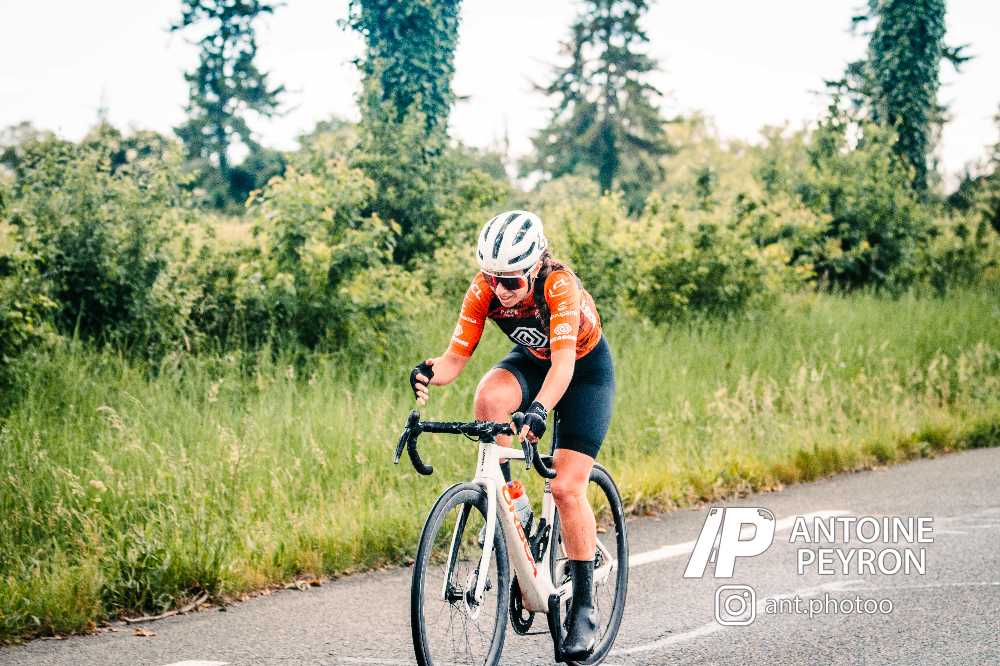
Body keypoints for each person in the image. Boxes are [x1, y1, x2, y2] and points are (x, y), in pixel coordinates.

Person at [409, 210, 616, 660]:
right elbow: (454, 360)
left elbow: (564, 365)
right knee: (489, 398)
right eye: (493, 278)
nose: (500, 289)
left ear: (536, 265)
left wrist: (539, 410)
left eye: (510, 281)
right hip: (533, 362)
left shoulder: (559, 285)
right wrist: (429, 372)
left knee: (565, 487)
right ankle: (514, 513)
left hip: (583, 373)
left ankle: (584, 606)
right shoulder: (485, 288)